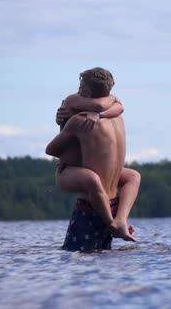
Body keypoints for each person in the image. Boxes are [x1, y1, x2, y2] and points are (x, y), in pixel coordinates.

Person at [46, 67, 140, 251]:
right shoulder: (118, 114)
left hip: (92, 204)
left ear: (86, 93)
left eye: (80, 87)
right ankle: (120, 220)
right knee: (133, 176)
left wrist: (67, 133)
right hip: (113, 202)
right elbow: (114, 105)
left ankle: (115, 224)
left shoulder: (80, 118)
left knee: (79, 255)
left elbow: (51, 150)